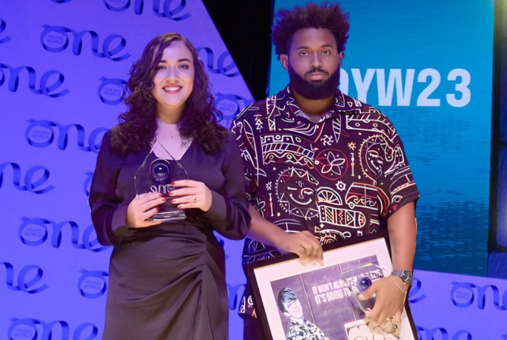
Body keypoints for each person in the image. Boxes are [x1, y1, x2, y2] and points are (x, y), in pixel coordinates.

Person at [231, 2, 419, 339]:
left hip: (365, 301)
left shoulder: (375, 125)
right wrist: (280, 237)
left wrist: (400, 278)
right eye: (304, 52)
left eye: (325, 51)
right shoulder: (253, 124)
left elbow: (400, 204)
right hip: (274, 304)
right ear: (285, 60)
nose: (316, 61)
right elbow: (232, 204)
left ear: (340, 56)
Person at [89, 33, 250, 340]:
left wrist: (210, 201)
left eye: (183, 66)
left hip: (196, 278)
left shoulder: (221, 142)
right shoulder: (117, 141)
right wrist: (127, 217)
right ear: (146, 77)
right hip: (133, 284)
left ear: (196, 76)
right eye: (161, 67)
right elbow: (100, 220)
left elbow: (240, 224)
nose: (172, 77)